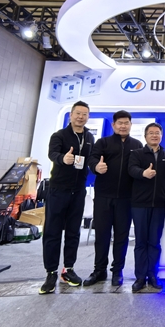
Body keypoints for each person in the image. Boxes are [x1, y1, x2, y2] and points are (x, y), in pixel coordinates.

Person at [40, 101, 95, 295]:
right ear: (71, 115)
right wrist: (62, 158)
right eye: (78, 113)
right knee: (52, 232)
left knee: (73, 232)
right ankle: (51, 273)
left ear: (88, 117)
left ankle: (68, 269)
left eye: (84, 114)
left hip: (78, 191)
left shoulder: (89, 137)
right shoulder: (59, 136)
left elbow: (91, 159)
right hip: (58, 190)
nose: (81, 117)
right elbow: (52, 153)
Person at [85, 110, 142, 287]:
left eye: (126, 123)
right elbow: (92, 159)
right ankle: (99, 270)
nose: (123, 126)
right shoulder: (103, 142)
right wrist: (96, 166)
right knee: (102, 235)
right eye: (120, 123)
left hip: (126, 198)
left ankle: (117, 271)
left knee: (121, 236)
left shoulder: (137, 144)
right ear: (113, 125)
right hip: (103, 196)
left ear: (131, 125)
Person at [127, 123, 165, 293]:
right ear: (145, 136)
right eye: (151, 133)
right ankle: (140, 277)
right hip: (139, 204)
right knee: (141, 242)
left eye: (157, 133)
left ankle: (153, 275)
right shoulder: (137, 154)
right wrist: (143, 173)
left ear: (161, 136)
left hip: (159, 205)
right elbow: (131, 170)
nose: (154, 136)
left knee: (154, 242)